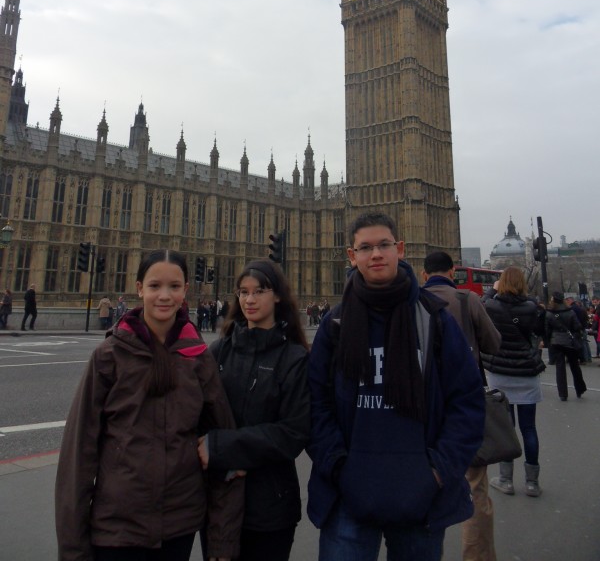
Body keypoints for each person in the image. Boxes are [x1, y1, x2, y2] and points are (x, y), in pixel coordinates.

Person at [307, 212, 485, 561]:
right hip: (348, 494)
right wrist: (338, 467)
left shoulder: (434, 319)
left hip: (421, 494)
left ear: (399, 249)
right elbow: (315, 403)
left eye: (384, 245)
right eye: (366, 247)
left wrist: (438, 471)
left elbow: (467, 401)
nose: (376, 254)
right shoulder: (335, 324)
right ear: (352, 255)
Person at [55, 249, 243, 561]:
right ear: (140, 288)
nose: (164, 296)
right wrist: (73, 551)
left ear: (185, 290)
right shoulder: (109, 356)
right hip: (117, 527)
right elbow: (78, 457)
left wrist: (222, 543)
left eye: (174, 286)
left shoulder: (199, 358)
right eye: (155, 286)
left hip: (179, 526)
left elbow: (224, 449)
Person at [198, 258, 310, 561]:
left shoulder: (294, 358)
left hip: (271, 506)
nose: (249, 299)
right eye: (243, 292)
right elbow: (198, 417)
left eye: (259, 291)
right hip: (219, 503)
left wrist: (226, 451)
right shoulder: (219, 352)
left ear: (277, 296)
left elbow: (294, 432)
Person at [422, 251, 502, 561]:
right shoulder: (469, 300)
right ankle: (476, 556)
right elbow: (493, 344)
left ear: (424, 274)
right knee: (475, 487)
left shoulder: (410, 303)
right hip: (465, 406)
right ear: (453, 271)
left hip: (423, 408)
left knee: (423, 486)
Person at [481, 266, 546, 498]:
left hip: (501, 372)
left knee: (506, 428)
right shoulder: (532, 308)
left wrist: (492, 290)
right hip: (526, 373)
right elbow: (540, 335)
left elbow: (481, 306)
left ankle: (506, 480)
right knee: (529, 428)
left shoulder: (492, 305)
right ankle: (532, 483)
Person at [545, 292, 587, 401]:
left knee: (560, 367)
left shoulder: (549, 313)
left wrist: (549, 340)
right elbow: (577, 326)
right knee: (575, 366)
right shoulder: (570, 311)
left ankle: (563, 394)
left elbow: (547, 329)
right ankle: (580, 389)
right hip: (570, 341)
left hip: (556, 341)